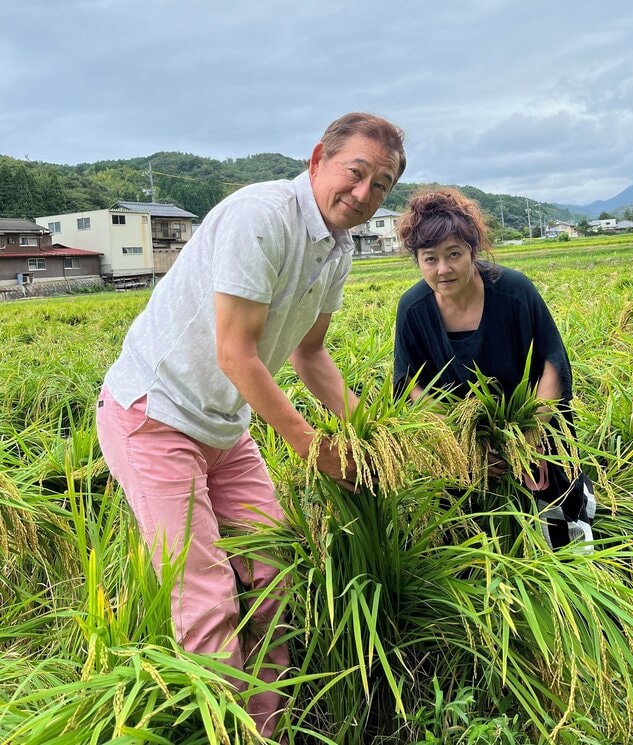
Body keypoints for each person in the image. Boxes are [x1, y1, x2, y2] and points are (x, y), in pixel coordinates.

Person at [96, 112, 406, 738]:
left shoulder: (338, 248)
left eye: (382, 185)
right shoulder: (260, 216)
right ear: (319, 157)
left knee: (273, 573)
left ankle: (272, 725)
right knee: (206, 596)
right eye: (358, 172)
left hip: (224, 427)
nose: (364, 193)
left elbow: (309, 354)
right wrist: (313, 447)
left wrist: (368, 437)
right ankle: (232, 733)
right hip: (154, 415)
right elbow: (235, 353)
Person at [393, 188, 594, 550]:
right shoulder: (413, 309)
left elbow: (551, 364)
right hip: (458, 437)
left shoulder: (514, 291)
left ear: (473, 250)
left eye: (454, 254)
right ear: (418, 261)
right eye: (430, 259)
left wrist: (524, 438)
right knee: (467, 534)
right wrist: (465, 446)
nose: (443, 269)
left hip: (535, 426)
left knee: (558, 523)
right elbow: (412, 386)